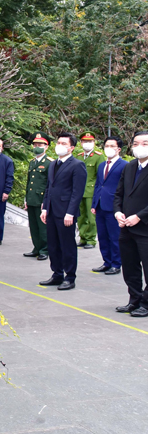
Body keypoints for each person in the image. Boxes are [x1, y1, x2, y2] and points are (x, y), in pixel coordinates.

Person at [40, 132, 87, 290]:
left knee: (67, 245)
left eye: (64, 143)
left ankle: (70, 277)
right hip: (52, 211)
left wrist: (70, 213)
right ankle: (57, 274)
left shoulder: (77, 165)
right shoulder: (53, 163)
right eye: (58, 143)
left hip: (66, 212)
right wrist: (45, 208)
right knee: (53, 245)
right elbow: (49, 187)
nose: (59, 146)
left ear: (71, 148)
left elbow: (77, 192)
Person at [113, 131, 148, 317]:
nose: (139, 147)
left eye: (145, 143)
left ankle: (146, 304)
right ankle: (134, 299)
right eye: (136, 143)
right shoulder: (130, 167)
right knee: (129, 266)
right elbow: (119, 193)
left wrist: (139, 216)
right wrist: (118, 212)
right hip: (126, 226)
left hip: (145, 227)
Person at [91, 136, 127, 275]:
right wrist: (94, 203)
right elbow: (98, 185)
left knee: (114, 236)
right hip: (101, 205)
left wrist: (122, 207)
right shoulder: (102, 165)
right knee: (102, 236)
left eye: (112, 146)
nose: (109, 148)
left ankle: (116, 264)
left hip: (114, 206)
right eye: (107, 146)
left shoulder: (124, 165)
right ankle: (107, 262)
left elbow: (125, 188)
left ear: (119, 149)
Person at [74, 132, 105, 249]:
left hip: (91, 191)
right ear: (81, 143)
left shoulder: (98, 156)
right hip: (79, 190)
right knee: (81, 217)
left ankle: (91, 240)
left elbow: (100, 176)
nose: (87, 143)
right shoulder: (79, 156)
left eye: (90, 141)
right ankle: (83, 238)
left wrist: (98, 192)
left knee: (91, 218)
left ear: (94, 142)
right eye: (85, 141)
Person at [24, 133, 52, 261]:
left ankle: (45, 250)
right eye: (35, 145)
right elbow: (29, 182)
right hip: (32, 199)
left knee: (43, 227)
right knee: (34, 226)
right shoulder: (32, 162)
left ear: (46, 147)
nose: (37, 147)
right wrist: (26, 199)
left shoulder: (49, 163)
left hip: (41, 200)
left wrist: (46, 201)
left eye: (40, 145)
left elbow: (50, 184)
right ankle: (36, 248)